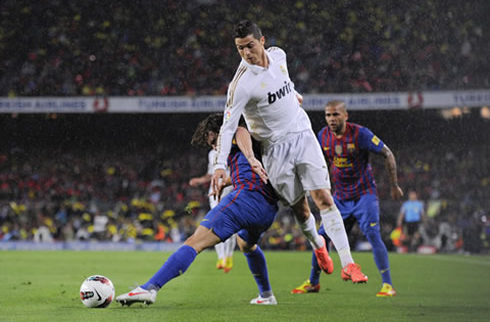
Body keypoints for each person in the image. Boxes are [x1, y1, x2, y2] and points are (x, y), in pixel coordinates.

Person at [211, 20, 367, 282]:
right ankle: (318, 244)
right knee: (301, 210)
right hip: (275, 150)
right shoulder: (241, 85)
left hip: (302, 134)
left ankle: (349, 264)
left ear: (262, 41)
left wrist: (294, 94)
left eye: (250, 45)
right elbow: (228, 128)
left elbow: (285, 80)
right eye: (240, 49)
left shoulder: (278, 55)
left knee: (325, 199)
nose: (246, 53)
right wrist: (219, 165)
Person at [116, 114, 280, 306]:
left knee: (194, 242)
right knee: (246, 244)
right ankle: (267, 295)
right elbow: (248, 173)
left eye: (214, 141)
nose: (214, 147)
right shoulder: (252, 146)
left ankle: (149, 288)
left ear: (223, 131)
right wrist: (225, 180)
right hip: (267, 209)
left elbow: (238, 130)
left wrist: (236, 144)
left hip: (245, 200)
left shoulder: (237, 133)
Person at [291, 100, 404, 297]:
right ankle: (313, 282)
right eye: (328, 115)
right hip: (340, 199)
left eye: (335, 115)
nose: (331, 119)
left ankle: (387, 285)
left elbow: (387, 153)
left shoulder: (360, 134)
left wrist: (394, 185)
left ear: (345, 115)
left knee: (373, 235)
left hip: (364, 195)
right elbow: (319, 163)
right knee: (321, 239)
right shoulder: (323, 136)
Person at [189, 148, 236, 273]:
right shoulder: (212, 154)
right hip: (214, 194)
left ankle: (229, 255)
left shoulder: (232, 150)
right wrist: (199, 180)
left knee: (232, 226)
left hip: (230, 192)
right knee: (216, 224)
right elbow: (211, 174)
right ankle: (221, 258)